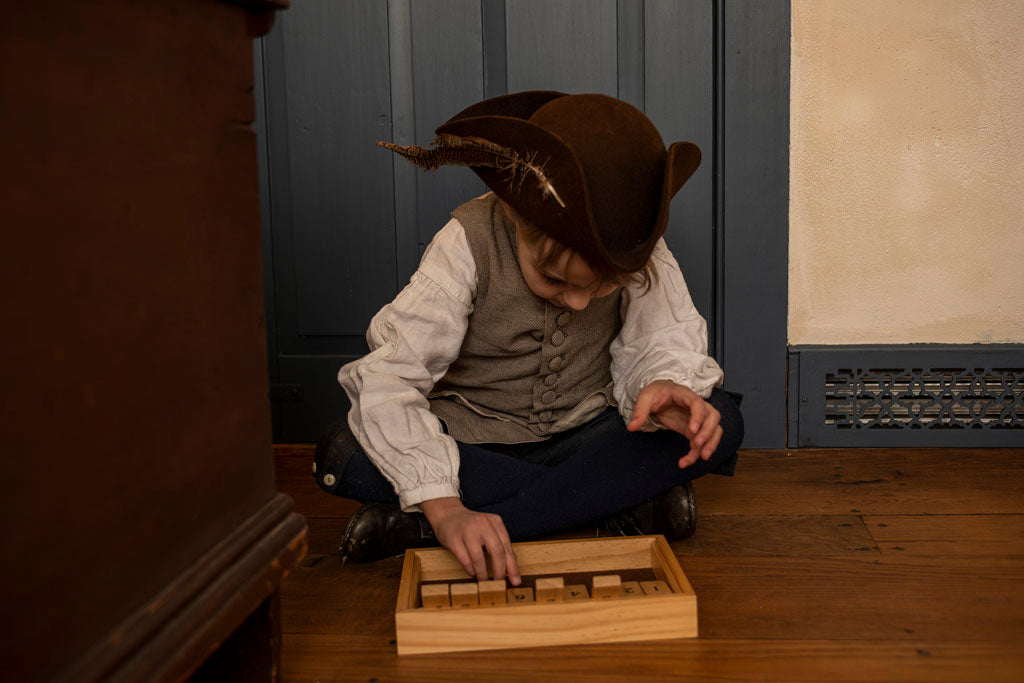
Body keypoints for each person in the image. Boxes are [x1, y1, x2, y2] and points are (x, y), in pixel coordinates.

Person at [313, 91, 743, 587]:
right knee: (343, 453)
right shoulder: (466, 243)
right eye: (555, 281)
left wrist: (664, 385)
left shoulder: (637, 247)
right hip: (472, 444)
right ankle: (612, 504)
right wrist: (445, 501)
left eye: (601, 288)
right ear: (517, 218)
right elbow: (390, 378)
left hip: (582, 433)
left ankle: (437, 530)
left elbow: (661, 341)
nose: (580, 302)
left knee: (721, 424)